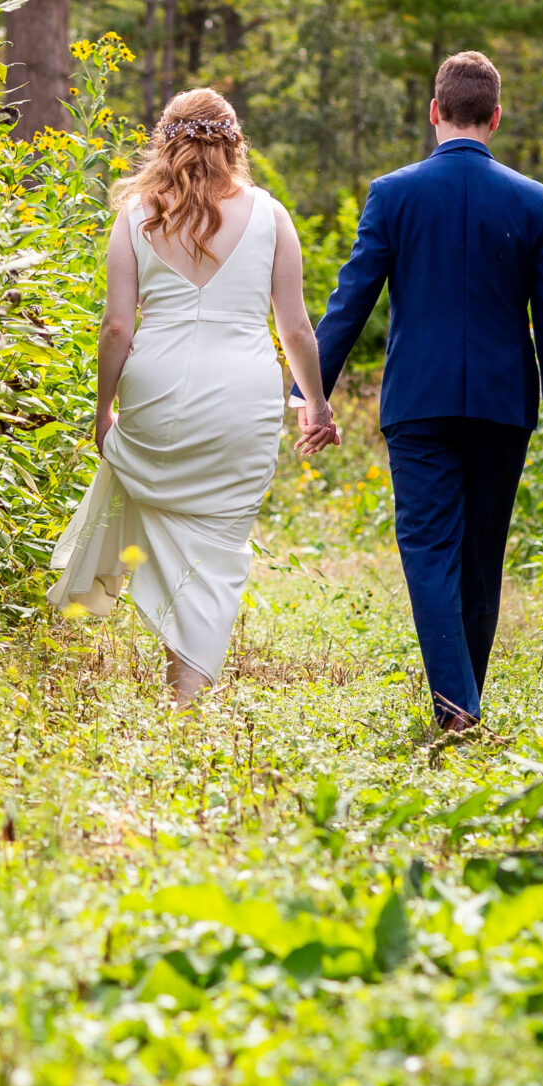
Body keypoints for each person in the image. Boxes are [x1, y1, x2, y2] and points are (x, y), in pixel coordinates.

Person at [308, 51, 543, 732]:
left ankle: (459, 709)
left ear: (435, 111)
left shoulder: (393, 194)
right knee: (482, 557)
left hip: (419, 403)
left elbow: (351, 299)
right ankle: (462, 705)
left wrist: (310, 393)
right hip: (501, 404)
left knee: (429, 552)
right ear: (496, 117)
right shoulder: (531, 200)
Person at [50, 88, 340, 705]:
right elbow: (294, 328)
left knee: (161, 522)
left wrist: (103, 408)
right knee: (220, 545)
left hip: (155, 391)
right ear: (235, 144)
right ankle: (187, 693)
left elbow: (117, 327)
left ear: (164, 140)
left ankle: (179, 683)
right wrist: (316, 403)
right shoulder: (270, 216)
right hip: (243, 395)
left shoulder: (135, 214)